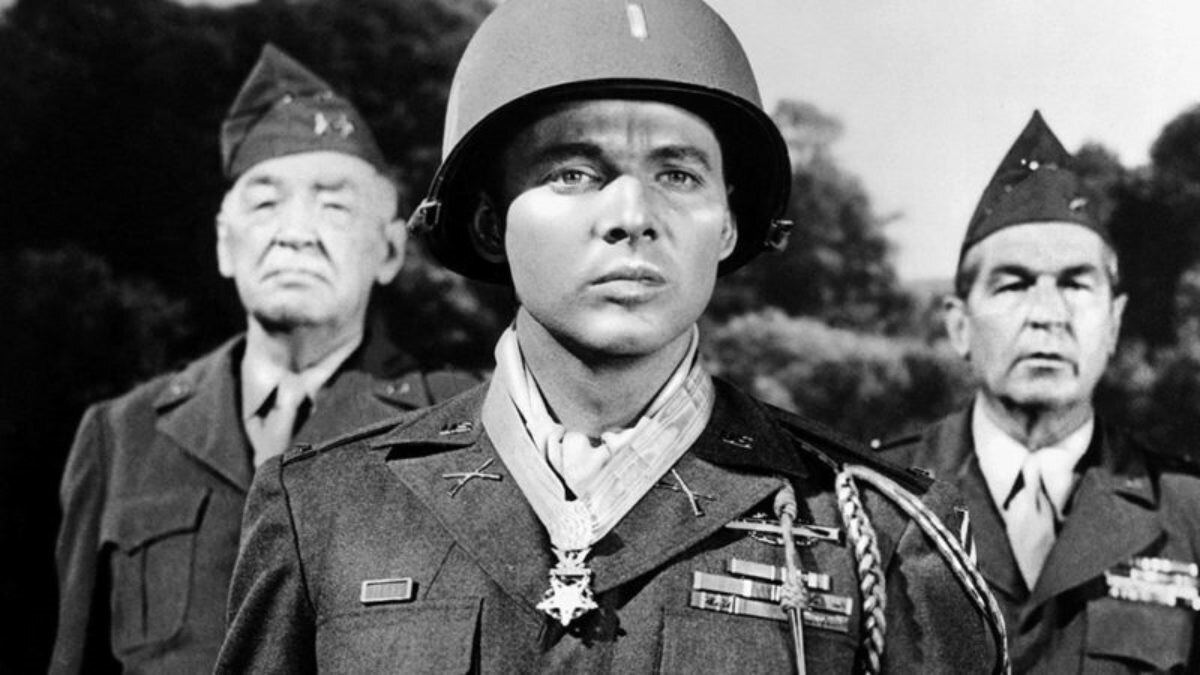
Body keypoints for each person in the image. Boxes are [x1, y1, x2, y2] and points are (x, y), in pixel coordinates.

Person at [218, 2, 1006, 672]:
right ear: (490, 222)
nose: (632, 216)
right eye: (574, 172)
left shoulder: (876, 531)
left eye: (678, 174)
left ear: (729, 225)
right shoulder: (329, 512)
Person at [50, 44, 474, 674]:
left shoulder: (459, 422)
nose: (294, 233)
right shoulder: (123, 435)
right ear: (225, 243)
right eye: (265, 203)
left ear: (389, 250)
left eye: (334, 206)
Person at [877, 111, 1200, 672]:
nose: (1047, 314)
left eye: (1075, 284)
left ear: (1114, 323)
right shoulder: (871, 497)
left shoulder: (1189, 515)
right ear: (958, 324)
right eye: (1014, 284)